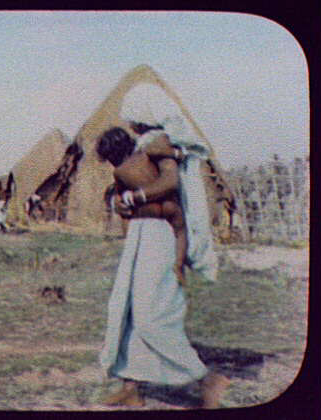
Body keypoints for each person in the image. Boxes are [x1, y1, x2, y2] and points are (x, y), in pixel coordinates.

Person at [98, 83, 229, 408]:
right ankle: (132, 386)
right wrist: (122, 201)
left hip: (161, 235)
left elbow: (169, 182)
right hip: (142, 233)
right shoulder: (142, 146)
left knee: (151, 314)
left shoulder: (158, 143)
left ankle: (206, 379)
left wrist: (135, 197)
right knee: (127, 308)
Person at [97, 126, 188, 286]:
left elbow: (122, 196)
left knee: (129, 218)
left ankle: (131, 251)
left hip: (147, 210)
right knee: (180, 231)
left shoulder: (119, 172)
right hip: (170, 206)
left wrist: (130, 198)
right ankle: (179, 265)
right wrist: (178, 154)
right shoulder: (148, 153)